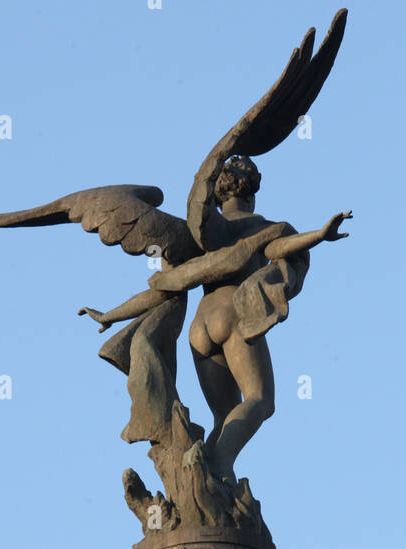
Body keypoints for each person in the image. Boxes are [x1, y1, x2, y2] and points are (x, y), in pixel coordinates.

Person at [80, 156, 350, 482]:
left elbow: (163, 289)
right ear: (252, 192)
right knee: (260, 401)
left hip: (200, 328)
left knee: (224, 415)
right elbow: (281, 248)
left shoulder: (200, 236)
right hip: (233, 314)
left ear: (218, 195)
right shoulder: (259, 227)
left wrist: (111, 314)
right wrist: (320, 234)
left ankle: (205, 475)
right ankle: (221, 464)